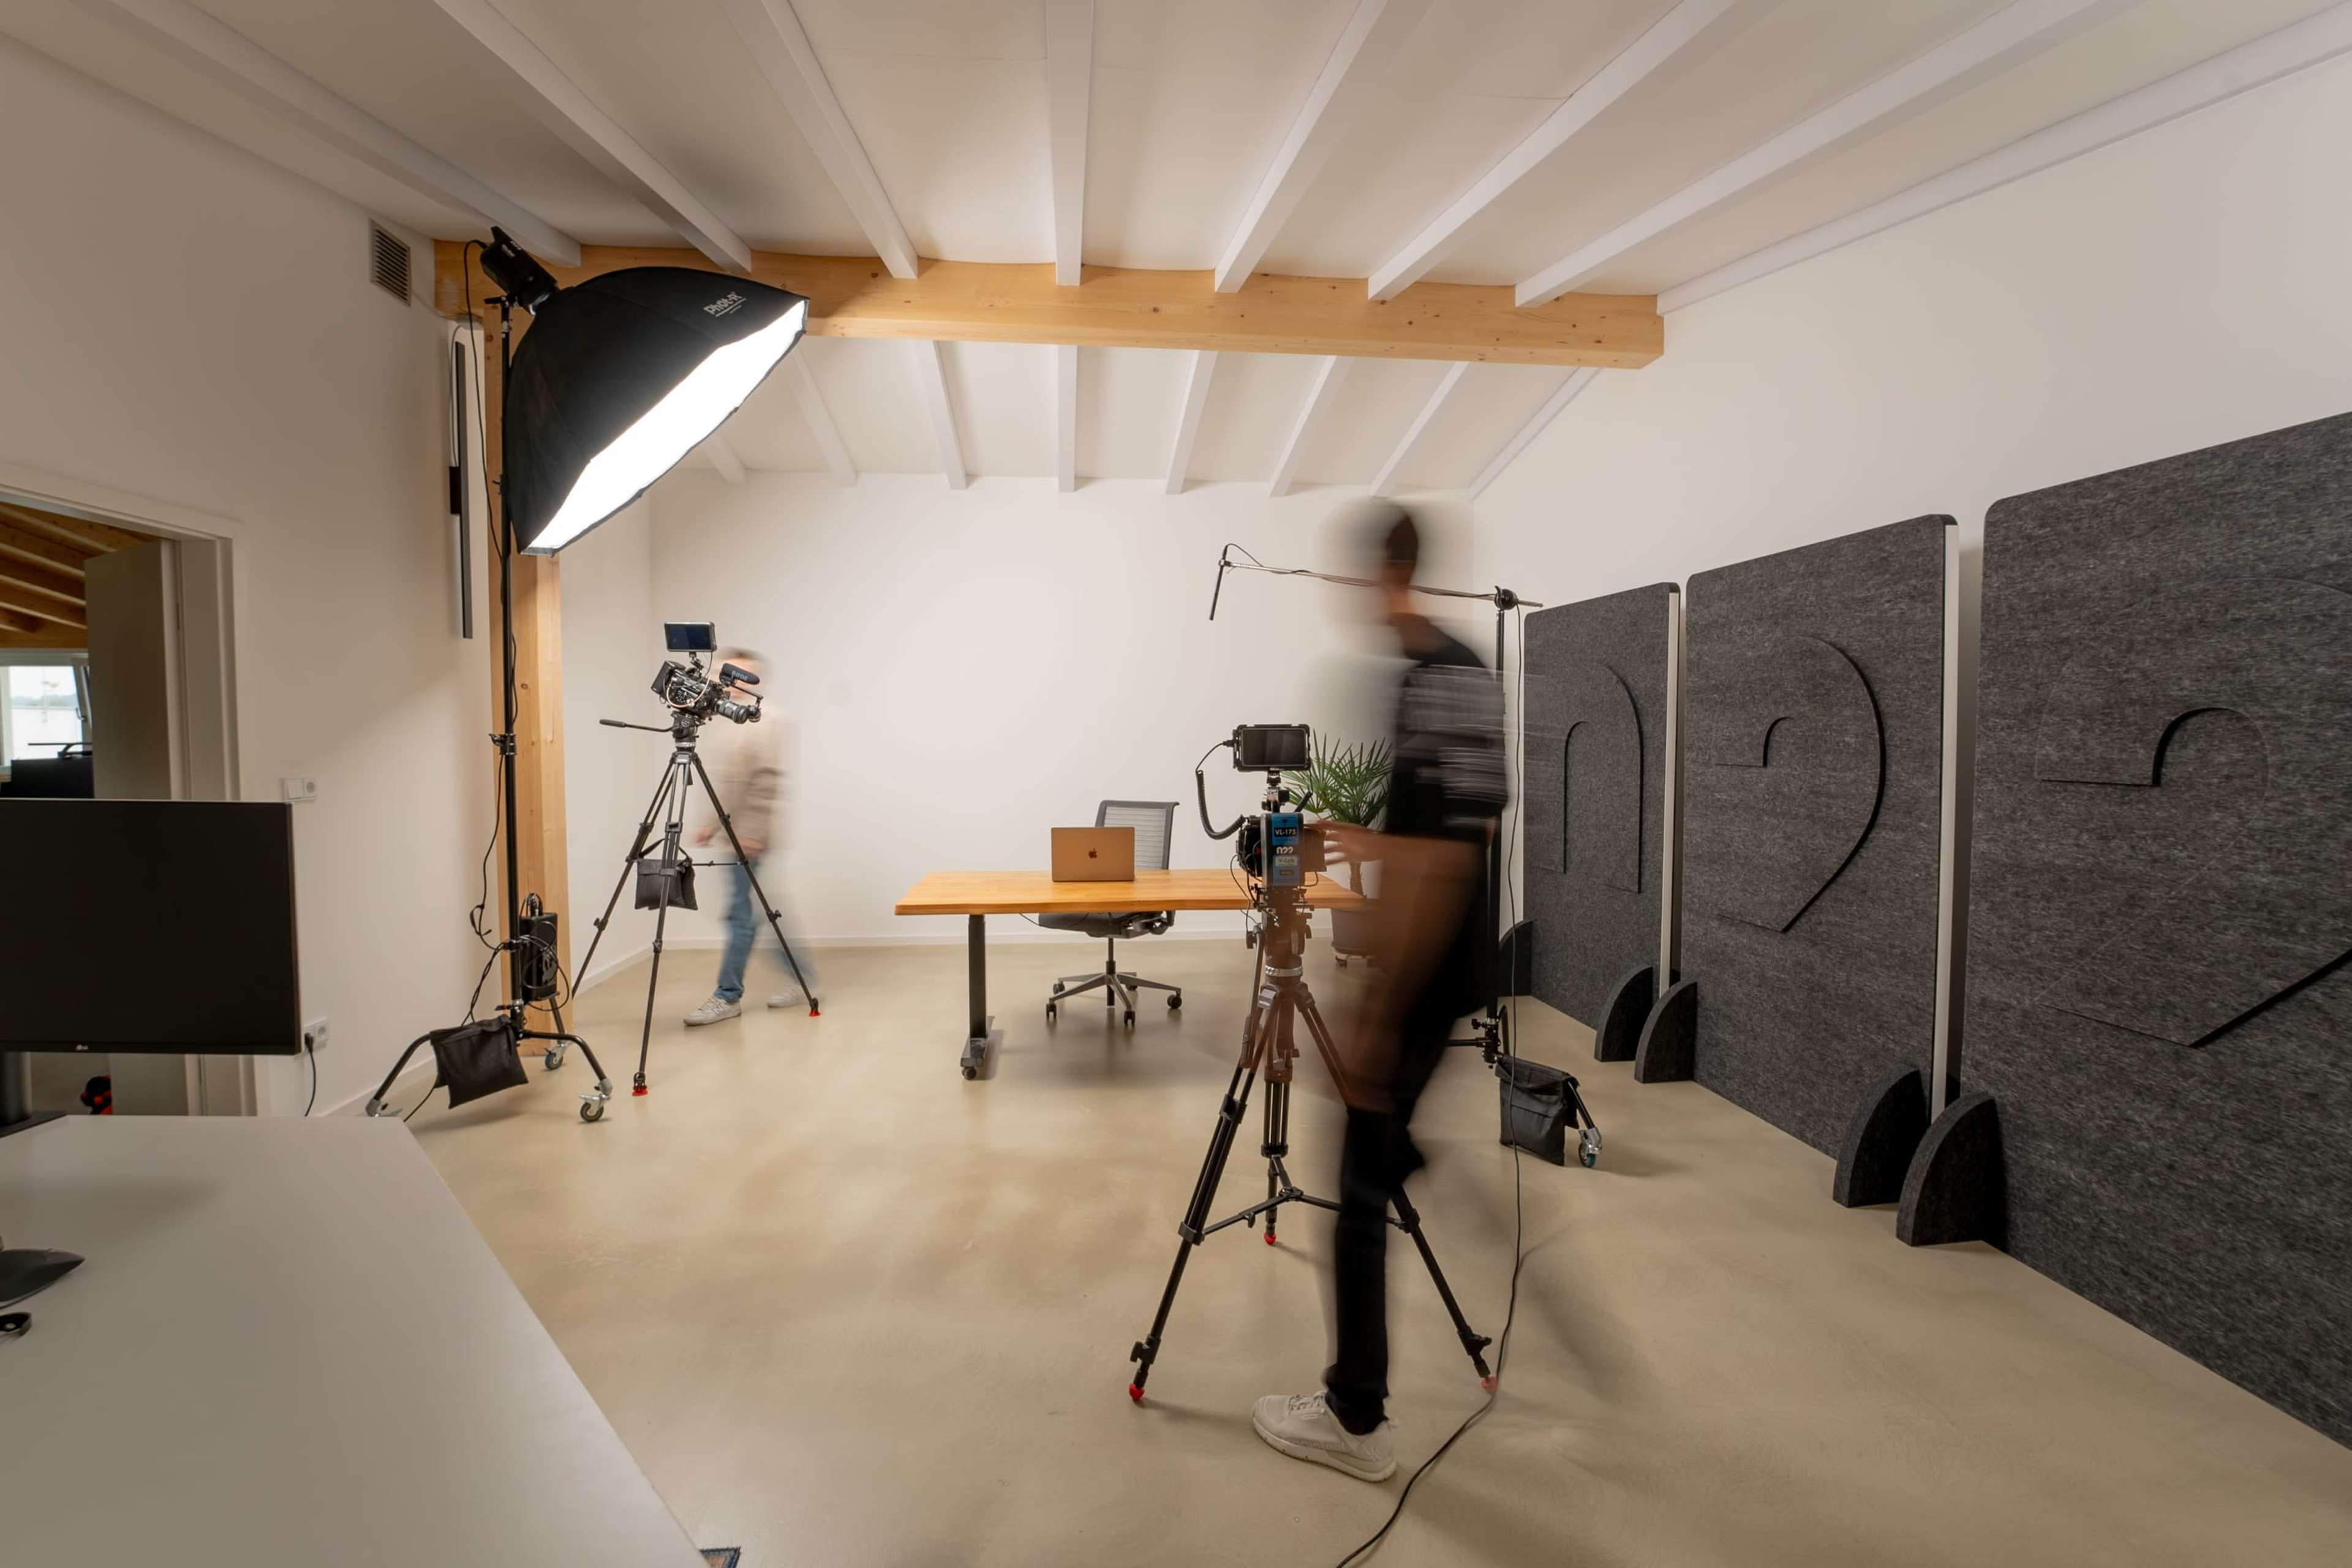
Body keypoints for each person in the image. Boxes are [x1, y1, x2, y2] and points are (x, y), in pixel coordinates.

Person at [1252, 504, 1506, 1483]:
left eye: (1351, 582)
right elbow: (1449, 834)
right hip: (1458, 971)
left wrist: (1373, 1012)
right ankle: (1403, 1149)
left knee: (1356, 1191)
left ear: (1383, 576)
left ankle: (1356, 1417)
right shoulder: (1462, 671)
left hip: (1424, 975)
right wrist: (1355, 842)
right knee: (1377, 1155)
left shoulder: (1428, 684)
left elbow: (1437, 868)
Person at [682, 649, 820, 1025]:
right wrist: (710, 825)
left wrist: (754, 834)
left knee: (741, 916)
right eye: (728, 672)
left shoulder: (768, 721)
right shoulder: (729, 720)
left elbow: (766, 782)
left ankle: (728, 996)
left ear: (757, 680)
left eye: (742, 674)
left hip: (749, 837)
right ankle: (803, 978)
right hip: (733, 833)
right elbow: (729, 782)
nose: (731, 679)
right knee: (755, 912)